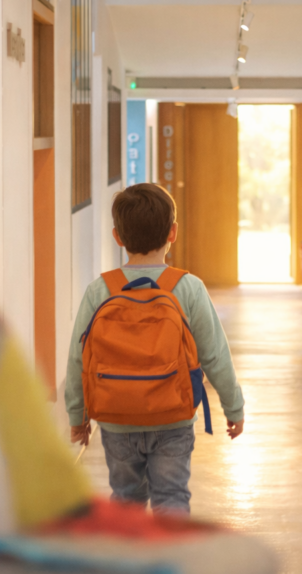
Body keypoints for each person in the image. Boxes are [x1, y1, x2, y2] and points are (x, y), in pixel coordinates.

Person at [65, 183, 245, 515]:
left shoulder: (100, 290)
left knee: (126, 500)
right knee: (172, 498)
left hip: (117, 419)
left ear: (118, 237)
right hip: (172, 418)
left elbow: (78, 360)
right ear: (172, 232)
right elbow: (214, 354)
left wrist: (78, 416)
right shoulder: (188, 288)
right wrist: (234, 407)